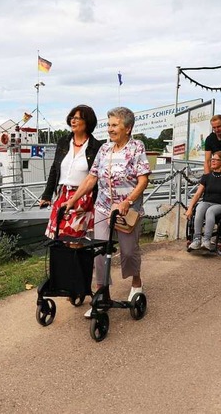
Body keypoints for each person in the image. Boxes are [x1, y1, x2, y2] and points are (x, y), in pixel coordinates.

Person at [63, 106, 150, 316]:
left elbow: (143, 179)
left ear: (127, 128)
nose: (109, 129)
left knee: (128, 252)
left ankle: (136, 282)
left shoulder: (137, 148)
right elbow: (92, 178)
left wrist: (128, 201)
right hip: (103, 208)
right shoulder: (104, 149)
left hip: (126, 210)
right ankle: (102, 293)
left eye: (114, 125)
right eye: (108, 125)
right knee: (100, 252)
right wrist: (73, 200)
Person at [40, 104, 102, 239]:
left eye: (78, 118)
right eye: (72, 117)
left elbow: (96, 177)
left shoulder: (96, 147)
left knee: (76, 239)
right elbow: (54, 169)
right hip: (62, 194)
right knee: (58, 238)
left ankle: (78, 260)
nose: (73, 121)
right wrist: (47, 195)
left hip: (82, 197)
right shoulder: (63, 142)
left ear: (88, 122)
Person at [185, 151, 221, 251]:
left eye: (215, 160)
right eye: (212, 159)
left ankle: (206, 240)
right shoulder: (206, 177)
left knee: (210, 211)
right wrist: (190, 208)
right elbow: (197, 194)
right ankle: (196, 240)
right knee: (200, 208)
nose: (212, 161)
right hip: (207, 202)